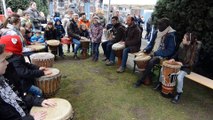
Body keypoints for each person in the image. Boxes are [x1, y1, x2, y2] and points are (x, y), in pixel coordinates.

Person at [0, 44, 56, 120]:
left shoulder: (5, 78)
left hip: (24, 113)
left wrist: (39, 101)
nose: (7, 63)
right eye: (3, 61)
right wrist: (31, 118)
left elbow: (20, 98)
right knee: (38, 91)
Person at [133, 17, 176, 88]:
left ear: (166, 26)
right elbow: (151, 43)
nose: (158, 27)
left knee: (151, 61)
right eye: (158, 25)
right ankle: (149, 76)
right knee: (139, 56)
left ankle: (140, 80)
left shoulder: (171, 35)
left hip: (163, 56)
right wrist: (146, 49)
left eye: (160, 25)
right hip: (153, 52)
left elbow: (170, 50)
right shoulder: (157, 32)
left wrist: (157, 53)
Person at [160, 32, 200, 104]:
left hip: (187, 67)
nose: (182, 39)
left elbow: (193, 64)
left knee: (179, 77)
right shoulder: (182, 45)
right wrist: (173, 59)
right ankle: (162, 85)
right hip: (179, 65)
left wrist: (182, 65)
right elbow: (176, 54)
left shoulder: (195, 50)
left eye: (184, 38)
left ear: (189, 41)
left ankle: (178, 93)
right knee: (165, 69)